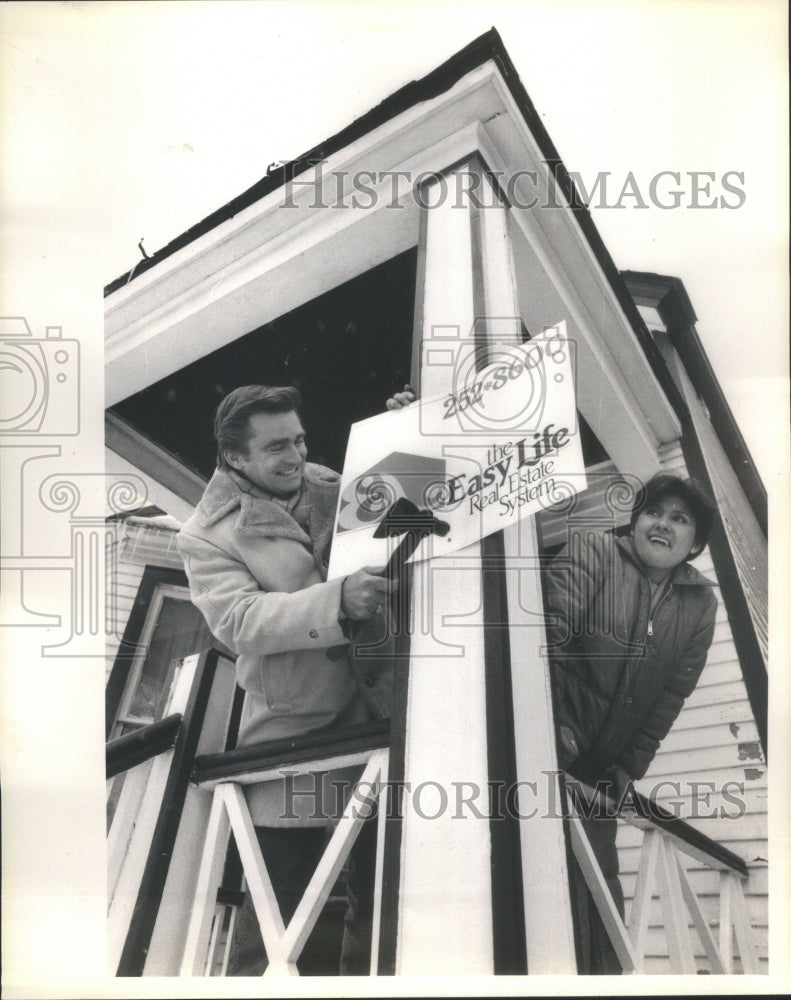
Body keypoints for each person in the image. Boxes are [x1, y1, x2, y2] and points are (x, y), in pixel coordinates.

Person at [177, 384, 410, 975]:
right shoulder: (204, 535)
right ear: (235, 457)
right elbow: (239, 622)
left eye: (300, 439)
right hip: (292, 741)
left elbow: (412, 510)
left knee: (382, 918)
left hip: (380, 723)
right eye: (277, 445)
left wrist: (403, 433)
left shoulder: (337, 483)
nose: (296, 455)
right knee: (276, 927)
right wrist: (336, 602)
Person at [542, 472, 718, 974]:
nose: (662, 525)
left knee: (600, 912)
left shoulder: (700, 604)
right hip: (544, 753)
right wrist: (549, 727)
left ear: (696, 544)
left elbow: (671, 696)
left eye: (679, 519)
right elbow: (547, 639)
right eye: (653, 513)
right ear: (635, 520)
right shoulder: (592, 551)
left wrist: (629, 766)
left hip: (599, 774)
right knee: (537, 900)